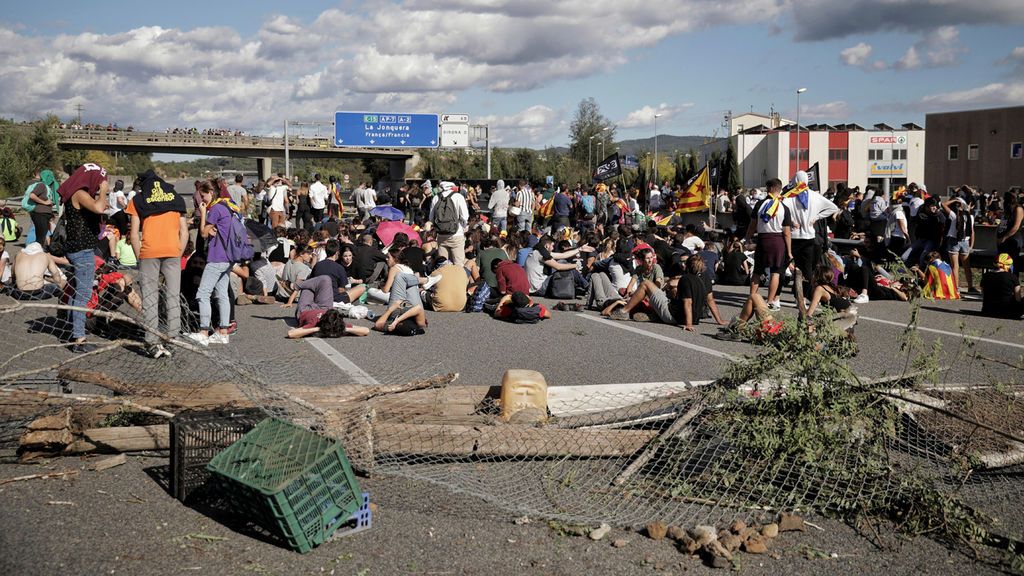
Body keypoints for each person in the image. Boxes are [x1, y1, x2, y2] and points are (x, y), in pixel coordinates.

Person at [125, 170, 188, 358]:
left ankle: (152, 343)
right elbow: (184, 232)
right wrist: (178, 252)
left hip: (149, 252)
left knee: (151, 299)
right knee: (173, 297)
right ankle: (173, 340)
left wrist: (139, 257)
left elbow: (134, 234)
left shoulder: (138, 200)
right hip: (172, 251)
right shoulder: (176, 198)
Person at [57, 163, 110, 353]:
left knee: (78, 292)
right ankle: (79, 339)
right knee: (83, 295)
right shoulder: (79, 192)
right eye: (100, 180)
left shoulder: (76, 191)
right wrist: (103, 191)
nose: (101, 184)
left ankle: (72, 331)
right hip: (82, 250)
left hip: (76, 248)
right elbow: (97, 207)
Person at [186, 186, 241, 346]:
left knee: (203, 293)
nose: (202, 200)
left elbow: (203, 233)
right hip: (228, 256)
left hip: (217, 257)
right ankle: (223, 332)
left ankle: (203, 332)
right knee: (222, 293)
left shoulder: (216, 209)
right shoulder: (228, 207)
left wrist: (203, 214)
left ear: (211, 193)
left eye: (203, 196)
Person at [747, 178, 793, 311]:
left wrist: (747, 238)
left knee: (757, 271)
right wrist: (789, 251)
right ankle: (770, 301)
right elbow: (787, 233)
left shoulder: (759, 204)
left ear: (771, 189)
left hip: (762, 239)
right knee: (775, 272)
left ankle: (752, 297)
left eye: (767, 188)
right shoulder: (784, 207)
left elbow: (752, 225)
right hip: (777, 241)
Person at [284, 275, 370, 339]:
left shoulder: (313, 323)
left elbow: (291, 334)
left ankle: (295, 285)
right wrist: (344, 329)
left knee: (308, 288)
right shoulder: (337, 323)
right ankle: (298, 284)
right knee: (326, 279)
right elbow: (366, 330)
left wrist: (316, 329)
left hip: (305, 310)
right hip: (324, 307)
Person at [428, 181, 470, 267]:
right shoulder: (458, 197)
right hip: (456, 234)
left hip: (441, 235)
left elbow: (431, 218)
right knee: (458, 265)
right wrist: (463, 226)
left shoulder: (436, 197)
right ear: (452, 187)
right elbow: (465, 217)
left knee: (442, 265)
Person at [941, 196, 974, 293]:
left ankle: (956, 288)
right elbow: (971, 231)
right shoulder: (970, 216)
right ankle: (970, 287)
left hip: (953, 240)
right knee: (967, 266)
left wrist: (955, 200)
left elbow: (943, 204)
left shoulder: (954, 215)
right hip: (965, 241)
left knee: (955, 266)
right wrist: (971, 244)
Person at [25, 169, 60, 251]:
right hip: (40, 214)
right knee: (40, 236)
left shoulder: (47, 187)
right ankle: (36, 253)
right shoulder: (41, 185)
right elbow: (32, 195)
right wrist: (44, 202)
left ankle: (38, 251)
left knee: (42, 235)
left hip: (44, 214)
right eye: (50, 176)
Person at [980, 253, 1023, 319]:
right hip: (1007, 313)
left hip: (987, 311)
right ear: (1007, 265)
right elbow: (1018, 299)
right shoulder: (1013, 277)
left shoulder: (985, 276)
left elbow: (984, 295)